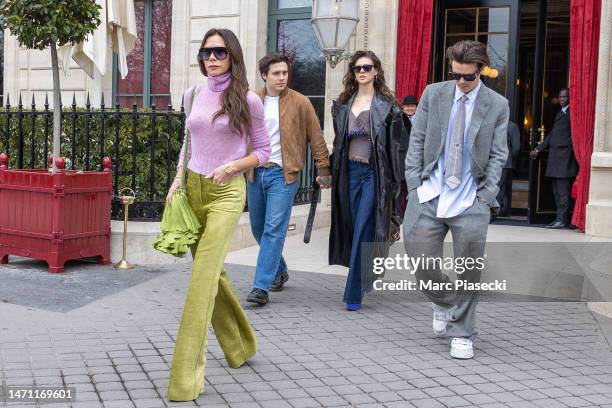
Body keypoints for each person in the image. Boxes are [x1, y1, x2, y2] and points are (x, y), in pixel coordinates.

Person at [165, 28, 271, 401]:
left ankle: (184, 379)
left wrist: (232, 167)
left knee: (201, 281)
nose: (211, 58)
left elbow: (263, 151)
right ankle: (241, 345)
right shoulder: (192, 94)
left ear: (233, 56)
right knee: (213, 275)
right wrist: (177, 181)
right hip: (193, 188)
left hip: (227, 192)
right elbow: (187, 143)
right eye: (206, 52)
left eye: (219, 52)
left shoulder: (247, 99)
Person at [403, 40, 509, 359]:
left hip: (470, 198)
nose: (461, 82)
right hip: (430, 192)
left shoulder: (497, 105)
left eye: (467, 77)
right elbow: (417, 140)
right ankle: (445, 301)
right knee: (420, 261)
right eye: (456, 75)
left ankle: (462, 331)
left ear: (481, 73)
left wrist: (486, 196)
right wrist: (412, 186)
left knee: (469, 268)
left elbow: (497, 154)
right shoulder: (433, 94)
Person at [245, 53, 331, 305]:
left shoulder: (300, 102)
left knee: (274, 229)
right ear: (264, 75)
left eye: (285, 73)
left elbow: (316, 136)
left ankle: (260, 287)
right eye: (276, 73)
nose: (282, 77)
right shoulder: (252, 101)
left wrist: (323, 168)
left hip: (283, 175)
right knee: (258, 229)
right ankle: (279, 270)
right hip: (254, 172)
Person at [329, 50, 404, 311]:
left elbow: (397, 147)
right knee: (351, 226)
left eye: (367, 67)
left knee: (363, 228)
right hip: (348, 173)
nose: (362, 72)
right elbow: (339, 143)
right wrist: (326, 171)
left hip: (375, 174)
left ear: (376, 71)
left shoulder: (389, 107)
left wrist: (396, 182)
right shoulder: (341, 104)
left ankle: (353, 294)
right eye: (357, 68)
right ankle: (367, 275)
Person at [530, 88, 578, 229]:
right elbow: (551, 135)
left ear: (570, 98)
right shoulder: (560, 112)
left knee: (563, 191)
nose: (562, 99)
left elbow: (576, 135)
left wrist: (566, 146)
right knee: (557, 190)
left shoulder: (572, 113)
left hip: (564, 158)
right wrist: (538, 149)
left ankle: (561, 220)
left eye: (565, 97)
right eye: (560, 96)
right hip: (555, 158)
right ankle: (558, 218)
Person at [493, 120, 521, 219]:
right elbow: (516, 148)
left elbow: (516, 149)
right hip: (505, 162)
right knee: (500, 187)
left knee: (499, 187)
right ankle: (499, 211)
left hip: (500, 162)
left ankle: (494, 212)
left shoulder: (508, 126)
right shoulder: (512, 126)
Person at [399, 95, 418, 211]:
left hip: (415, 159)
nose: (410, 108)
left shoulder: (422, 119)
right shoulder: (397, 119)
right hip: (401, 158)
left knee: (412, 189)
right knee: (399, 189)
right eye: (407, 106)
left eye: (412, 106)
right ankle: (398, 214)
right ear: (403, 107)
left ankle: (411, 213)